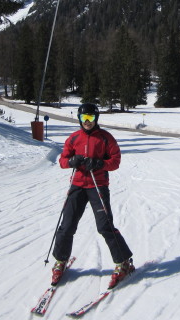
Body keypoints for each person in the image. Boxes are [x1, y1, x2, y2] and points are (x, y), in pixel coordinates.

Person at [51, 103, 134, 288]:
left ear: (96, 118)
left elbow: (115, 161)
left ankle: (123, 261)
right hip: (78, 185)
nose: (87, 122)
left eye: (90, 118)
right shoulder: (74, 138)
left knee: (105, 226)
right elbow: (62, 161)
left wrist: (98, 163)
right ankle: (60, 261)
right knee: (67, 225)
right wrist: (72, 161)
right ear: (79, 119)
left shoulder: (105, 138)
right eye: (83, 118)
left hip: (98, 185)